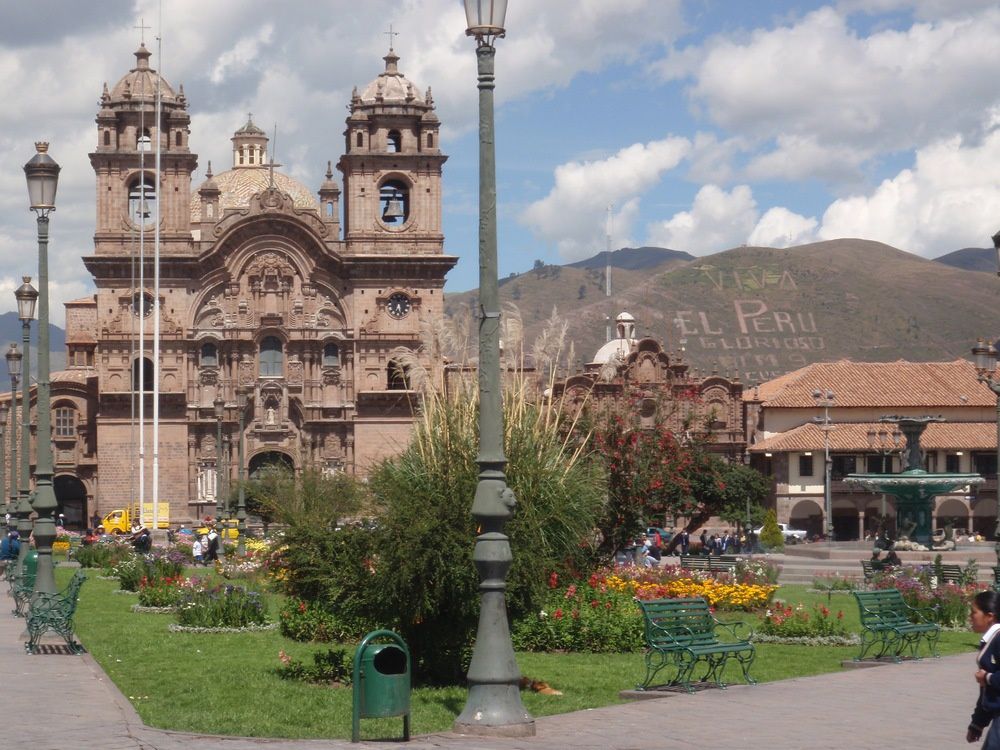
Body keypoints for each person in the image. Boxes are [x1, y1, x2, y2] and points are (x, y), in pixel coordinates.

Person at [968, 591, 1000, 747]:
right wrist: (977, 723)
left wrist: (987, 677)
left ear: (990, 616)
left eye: (974, 612)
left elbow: (987, 680)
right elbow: (987, 690)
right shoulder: (991, 640)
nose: (970, 617)